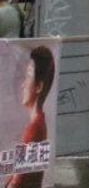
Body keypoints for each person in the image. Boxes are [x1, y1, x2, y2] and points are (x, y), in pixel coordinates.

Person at [7, 45, 55, 187]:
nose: (22, 85)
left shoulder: (34, 129)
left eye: (28, 77)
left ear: (39, 87)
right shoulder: (40, 122)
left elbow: (17, 181)